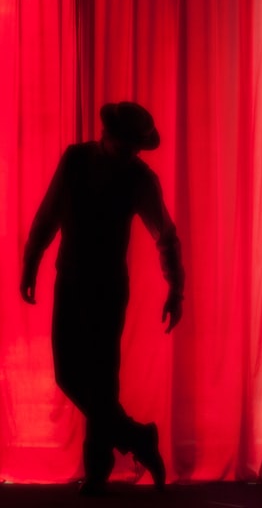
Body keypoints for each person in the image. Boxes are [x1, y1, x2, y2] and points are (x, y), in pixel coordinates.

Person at [20, 102, 184, 496]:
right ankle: (138, 438)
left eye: (135, 146)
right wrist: (31, 261)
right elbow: (48, 215)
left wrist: (176, 288)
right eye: (125, 143)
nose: (130, 152)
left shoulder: (139, 177)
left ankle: (98, 471)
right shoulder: (76, 160)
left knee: (100, 379)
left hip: (108, 284)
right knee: (71, 375)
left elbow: (165, 235)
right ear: (108, 134)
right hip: (73, 279)